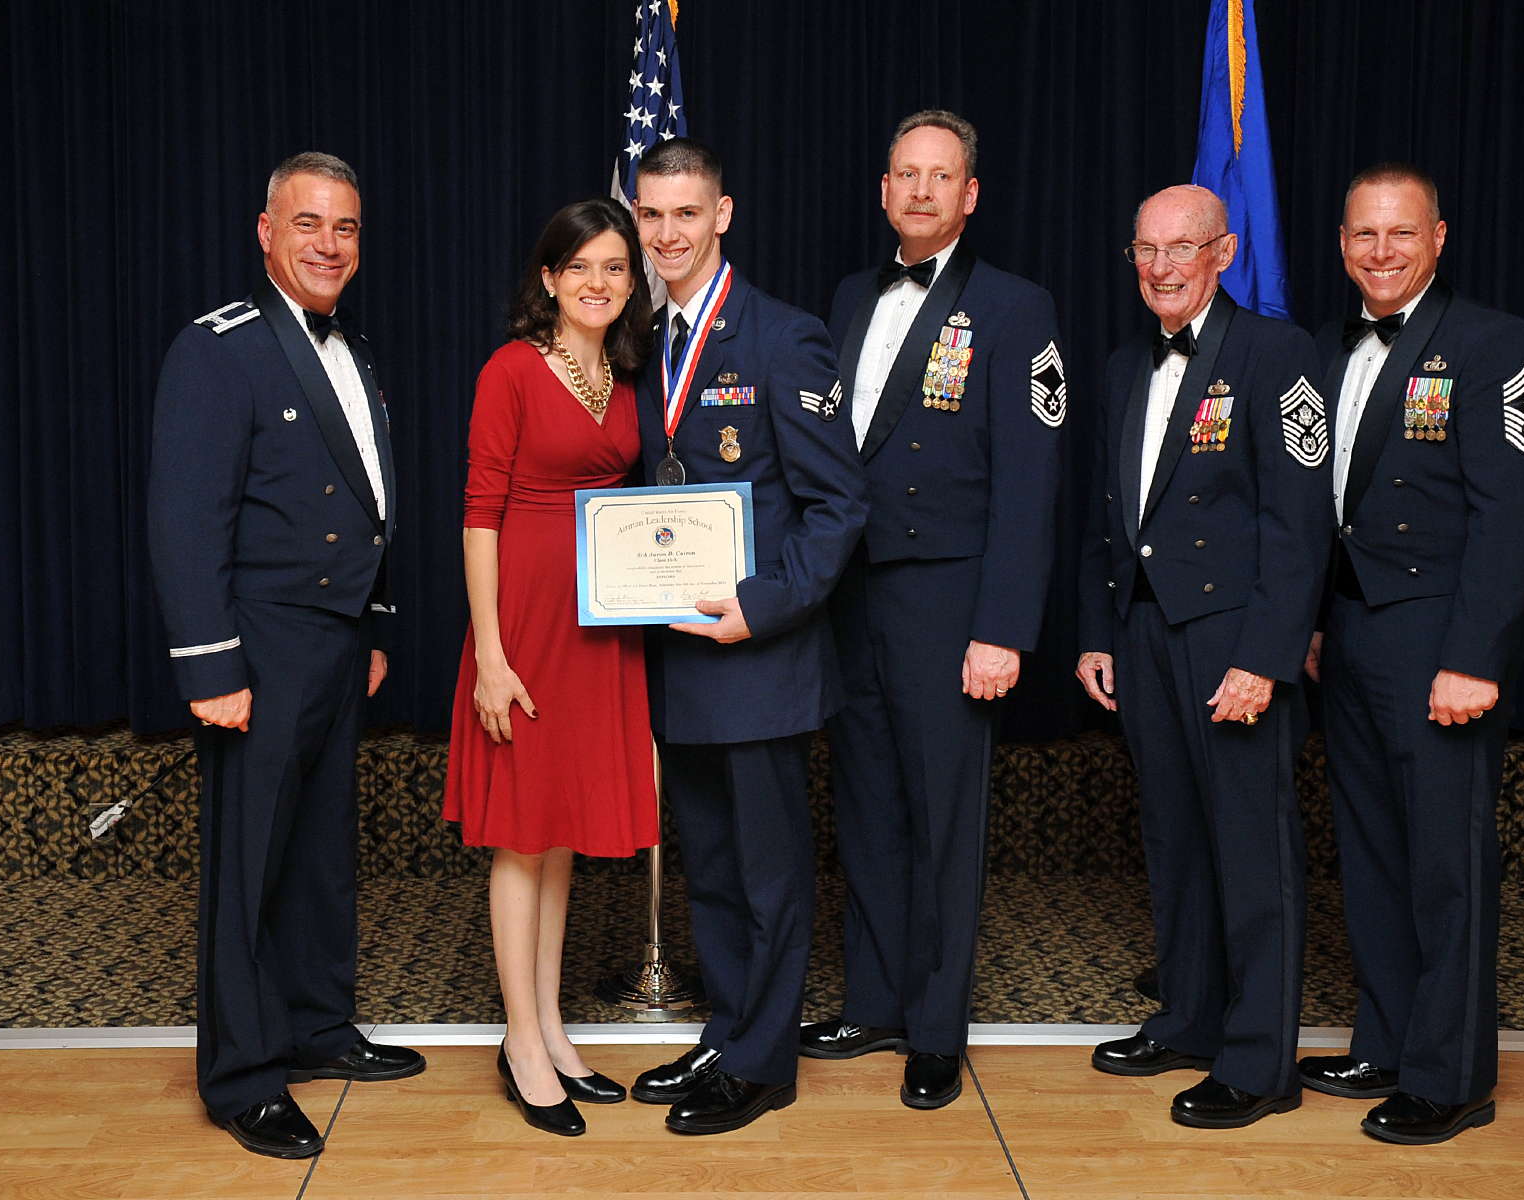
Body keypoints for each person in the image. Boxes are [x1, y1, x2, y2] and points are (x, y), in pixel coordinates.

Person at [147, 152, 424, 1159]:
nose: (328, 244)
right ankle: (243, 1074)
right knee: (250, 863)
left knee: (318, 854)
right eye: (307, 224)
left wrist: (378, 621)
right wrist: (211, 667)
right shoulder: (219, 349)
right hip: (256, 645)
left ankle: (316, 1026)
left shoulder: (350, 348)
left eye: (345, 228)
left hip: (338, 643)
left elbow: (369, 503)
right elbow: (185, 519)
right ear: (265, 232)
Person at [807, 110, 1064, 1111]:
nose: (920, 190)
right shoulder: (846, 298)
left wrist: (1002, 627)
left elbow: (1030, 480)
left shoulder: (1015, 308)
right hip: (854, 597)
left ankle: (936, 1029)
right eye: (904, 174)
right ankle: (873, 999)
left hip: (952, 606)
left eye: (940, 176)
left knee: (944, 821)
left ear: (969, 195)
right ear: (884, 191)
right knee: (866, 808)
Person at [1301, 163, 1524, 1145]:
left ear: (1439, 238)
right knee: (1370, 854)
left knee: (1446, 863)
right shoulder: (1325, 349)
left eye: (1400, 233)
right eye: (1363, 233)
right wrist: (1317, 621)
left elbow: (1512, 514)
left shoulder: (1496, 346)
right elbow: (1320, 510)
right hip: (1353, 637)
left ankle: (1451, 1077)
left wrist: (1477, 656)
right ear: (1340, 241)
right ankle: (1388, 1039)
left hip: (1442, 647)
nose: (1380, 251)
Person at [623, 138, 869, 1135]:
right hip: (677, 659)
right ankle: (729, 1033)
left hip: (757, 658)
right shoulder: (640, 341)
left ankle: (764, 1061)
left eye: (687, 213)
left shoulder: (783, 338)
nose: (668, 233)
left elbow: (838, 507)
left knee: (767, 874)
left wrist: (762, 607)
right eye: (651, 215)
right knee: (712, 871)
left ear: (723, 215)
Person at [1075, 184, 1331, 1129]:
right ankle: (1187, 1018)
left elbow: (1298, 527)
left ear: (1223, 253)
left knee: (1250, 851)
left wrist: (1265, 657)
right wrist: (1097, 632)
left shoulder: (1277, 354)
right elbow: (1105, 518)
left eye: (1181, 248)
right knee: (1175, 840)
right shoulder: (1119, 366)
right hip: (1144, 635)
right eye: (1145, 250)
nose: (1162, 267)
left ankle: (1261, 1062)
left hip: (1234, 642)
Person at [442, 198, 661, 1138]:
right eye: (581, 267)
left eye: (616, 267)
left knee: (559, 830)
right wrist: (490, 655)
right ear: (548, 278)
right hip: (526, 627)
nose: (599, 283)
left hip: (599, 629)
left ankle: (553, 1030)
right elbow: (478, 513)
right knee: (520, 836)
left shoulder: (622, 373)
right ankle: (520, 1041)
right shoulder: (512, 371)